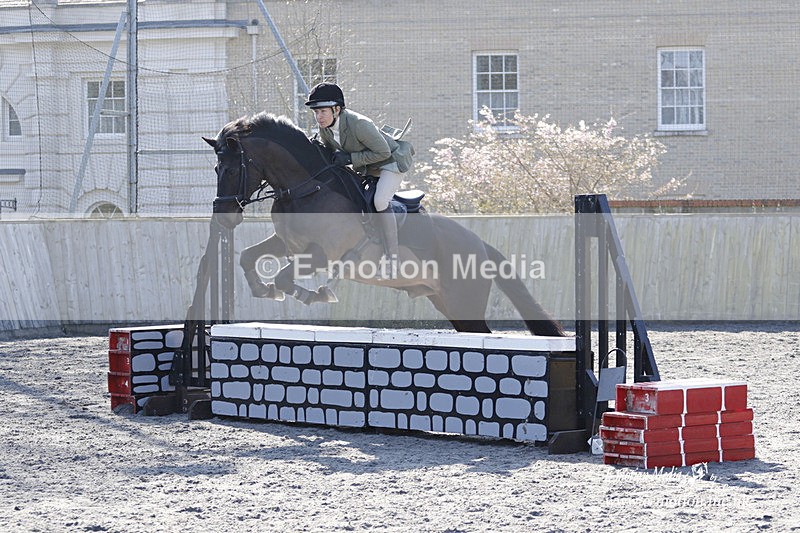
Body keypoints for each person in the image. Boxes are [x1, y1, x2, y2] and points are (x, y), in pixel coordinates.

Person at [305, 82, 413, 278]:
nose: (318, 117)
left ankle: (392, 262)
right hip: (367, 165)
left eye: (322, 111)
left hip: (391, 162)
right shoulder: (326, 129)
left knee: (379, 201)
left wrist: (350, 159)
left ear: (337, 109)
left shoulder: (359, 123)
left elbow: (383, 151)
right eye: (315, 112)